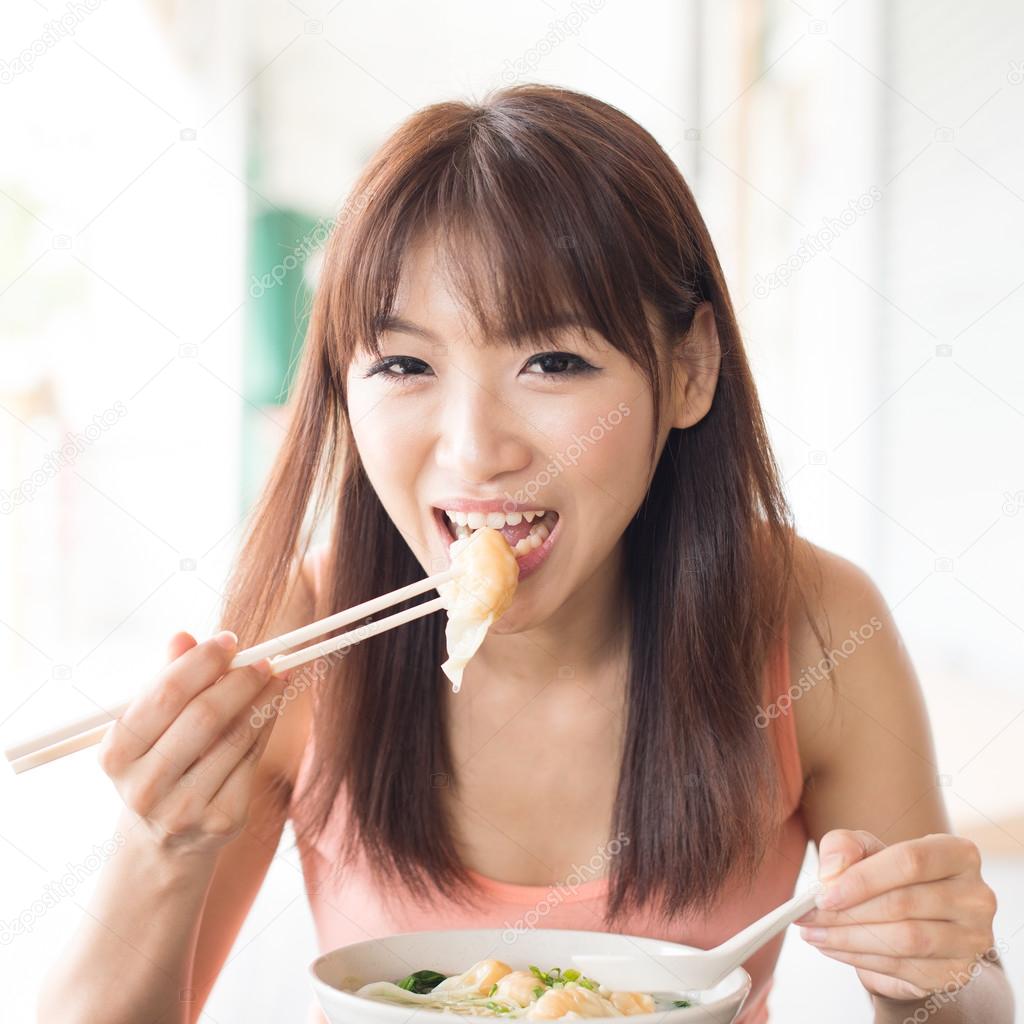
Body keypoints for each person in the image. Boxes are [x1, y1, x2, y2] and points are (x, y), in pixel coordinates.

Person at [39, 84, 1011, 1024]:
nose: (474, 449)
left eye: (550, 361)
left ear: (689, 369)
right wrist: (158, 845)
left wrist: (924, 976)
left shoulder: (814, 629)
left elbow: (960, 1004)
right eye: (404, 364)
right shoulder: (298, 647)